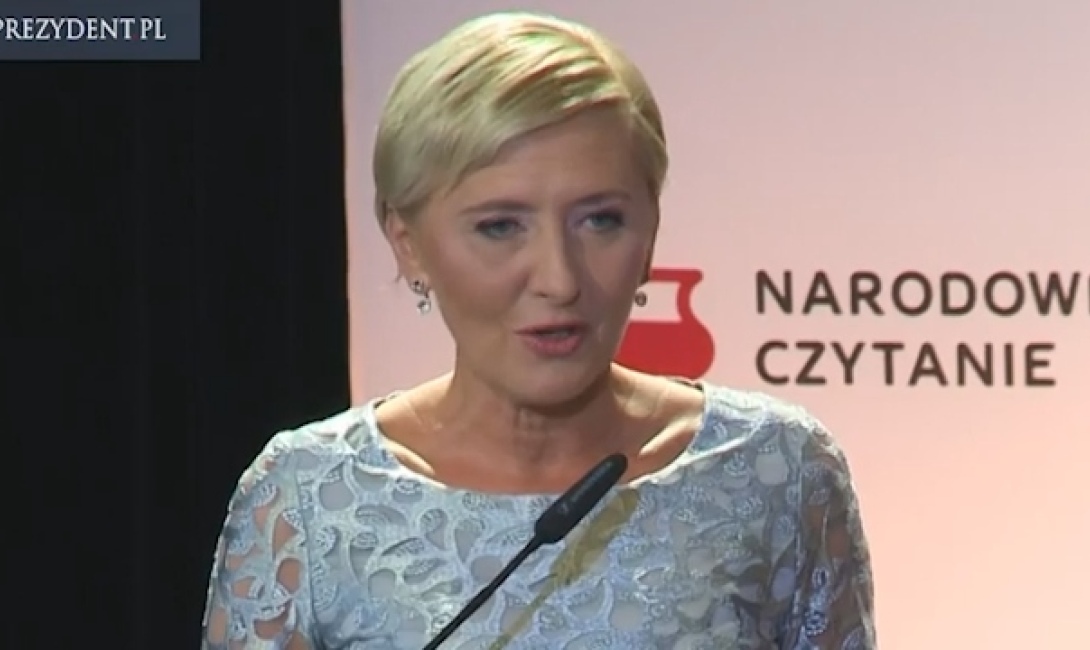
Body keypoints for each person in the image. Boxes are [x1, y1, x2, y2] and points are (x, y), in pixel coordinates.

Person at [200, 10, 876, 650]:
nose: (559, 278)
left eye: (601, 220)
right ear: (408, 245)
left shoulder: (778, 471)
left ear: (650, 233)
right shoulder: (305, 500)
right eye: (501, 226)